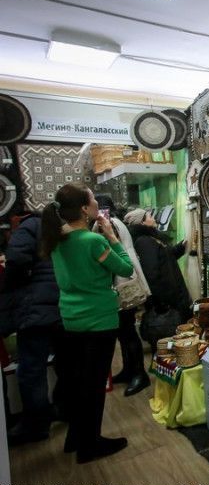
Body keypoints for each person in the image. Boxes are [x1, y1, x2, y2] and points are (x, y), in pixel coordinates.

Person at [40, 183, 133, 464]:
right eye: (92, 199)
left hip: (71, 319)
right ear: (83, 208)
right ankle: (90, 445)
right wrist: (111, 237)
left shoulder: (57, 240)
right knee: (93, 385)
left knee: (79, 382)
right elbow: (126, 268)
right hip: (99, 320)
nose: (95, 204)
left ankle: (76, 438)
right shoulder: (93, 241)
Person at [0, 213, 66, 445]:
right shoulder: (57, 225)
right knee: (65, 362)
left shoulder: (29, 225)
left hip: (35, 308)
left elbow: (16, 259)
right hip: (61, 303)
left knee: (31, 369)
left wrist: (14, 284)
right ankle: (64, 407)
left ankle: (37, 423)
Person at [94, 195, 151, 397]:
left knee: (127, 331)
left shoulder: (107, 223)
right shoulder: (115, 221)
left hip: (122, 280)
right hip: (124, 277)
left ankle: (139, 374)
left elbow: (109, 251)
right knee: (125, 331)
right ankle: (130, 370)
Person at [124, 208, 192, 351]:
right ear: (142, 222)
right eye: (149, 216)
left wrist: (182, 245)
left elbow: (167, 256)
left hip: (171, 298)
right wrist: (163, 302)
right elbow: (152, 274)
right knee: (168, 343)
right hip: (167, 302)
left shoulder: (151, 239)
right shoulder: (144, 242)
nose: (153, 218)